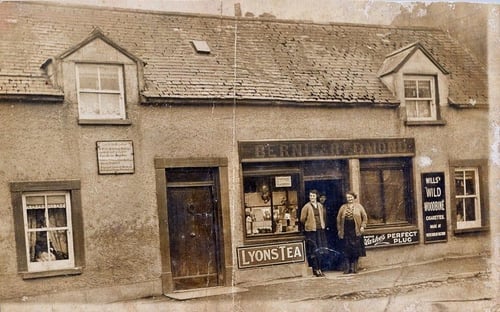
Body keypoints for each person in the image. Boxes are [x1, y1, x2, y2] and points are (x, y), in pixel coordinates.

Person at [337, 191, 368, 274]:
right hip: (346, 231)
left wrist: (362, 226)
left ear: (354, 198)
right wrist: (339, 230)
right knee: (346, 250)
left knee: (355, 250)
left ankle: (354, 268)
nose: (349, 199)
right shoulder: (343, 207)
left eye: (351, 197)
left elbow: (365, 217)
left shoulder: (359, 206)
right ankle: (347, 268)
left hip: (356, 231)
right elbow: (338, 219)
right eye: (348, 197)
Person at [300, 189, 327, 277]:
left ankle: (320, 268)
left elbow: (323, 216)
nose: (312, 197)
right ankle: (316, 269)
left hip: (320, 230)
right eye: (310, 196)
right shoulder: (306, 207)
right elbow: (302, 219)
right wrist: (309, 224)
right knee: (313, 250)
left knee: (320, 250)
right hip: (311, 232)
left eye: (313, 196)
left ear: (316, 197)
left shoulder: (320, 205)